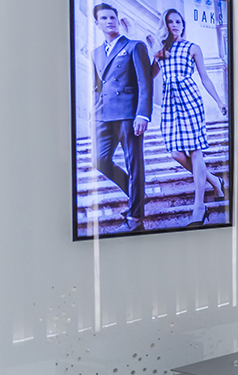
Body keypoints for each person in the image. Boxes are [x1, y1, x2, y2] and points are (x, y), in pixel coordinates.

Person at [153, 8, 228, 227]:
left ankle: (199, 207)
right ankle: (214, 180)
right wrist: (154, 56)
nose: (175, 25)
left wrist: (219, 101)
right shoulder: (161, 51)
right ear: (165, 25)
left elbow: (204, 77)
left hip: (189, 98)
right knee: (176, 153)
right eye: (170, 22)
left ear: (183, 25)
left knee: (196, 151)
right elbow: (149, 76)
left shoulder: (192, 47)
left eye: (178, 22)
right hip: (169, 103)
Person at [91, 3, 153, 233]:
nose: (110, 21)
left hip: (128, 114)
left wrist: (142, 114)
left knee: (134, 163)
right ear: (97, 23)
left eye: (112, 17)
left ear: (118, 20)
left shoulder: (134, 46)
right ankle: (138, 194)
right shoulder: (96, 53)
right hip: (103, 114)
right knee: (99, 160)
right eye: (104, 18)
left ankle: (135, 218)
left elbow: (145, 83)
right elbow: (97, 86)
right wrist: (93, 111)